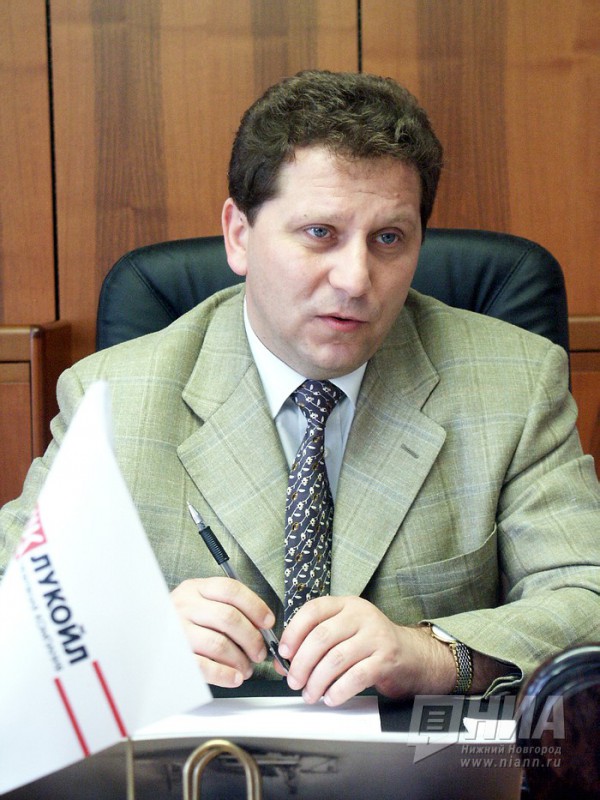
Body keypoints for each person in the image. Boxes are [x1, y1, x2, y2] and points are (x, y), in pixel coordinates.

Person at [1, 71, 599, 708]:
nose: (356, 279)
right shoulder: (113, 397)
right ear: (239, 235)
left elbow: (586, 598)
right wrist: (129, 634)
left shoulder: (513, 385)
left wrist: (430, 652)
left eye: (388, 239)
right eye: (320, 233)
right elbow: (12, 599)